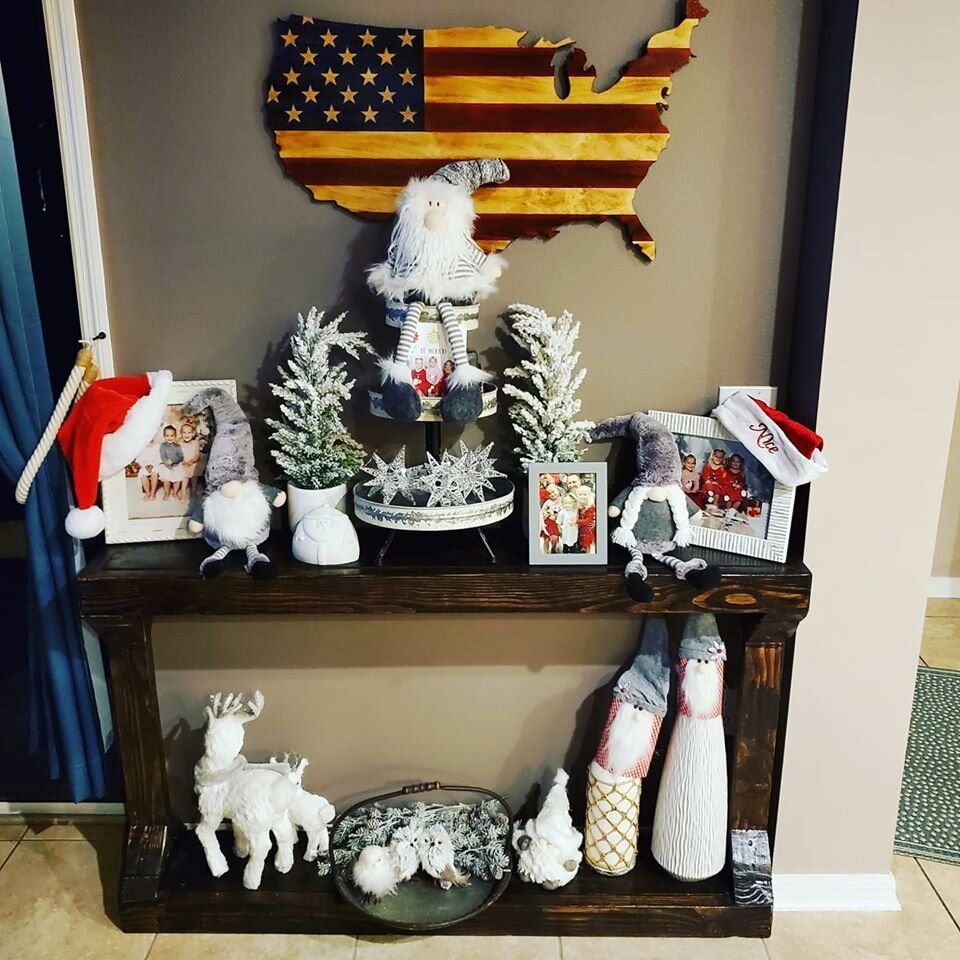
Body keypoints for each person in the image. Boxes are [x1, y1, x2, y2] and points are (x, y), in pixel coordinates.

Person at [158, 425, 185, 500]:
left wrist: (173, 461)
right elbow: (162, 456)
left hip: (176, 465)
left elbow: (181, 457)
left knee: (177, 480)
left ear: (175, 436)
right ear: (164, 436)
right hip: (166, 466)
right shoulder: (163, 446)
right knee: (166, 480)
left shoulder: (178, 446)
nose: (169, 437)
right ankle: (166, 493)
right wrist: (167, 463)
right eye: (167, 436)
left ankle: (175, 493)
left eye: (172, 435)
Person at [180, 419, 202, 499]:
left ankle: (193, 492)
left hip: (193, 463)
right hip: (183, 463)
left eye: (189, 433)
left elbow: (197, 456)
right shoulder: (180, 444)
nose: (187, 435)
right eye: (184, 432)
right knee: (184, 476)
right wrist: (183, 462)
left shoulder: (195, 443)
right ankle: (183, 493)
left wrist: (191, 461)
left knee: (194, 475)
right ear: (181, 434)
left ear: (193, 434)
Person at [540, 484, 562, 553]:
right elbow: (541, 512)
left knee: (554, 538)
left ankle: (553, 548)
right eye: (549, 493)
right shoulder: (548, 502)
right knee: (546, 539)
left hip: (556, 524)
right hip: (548, 523)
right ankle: (545, 552)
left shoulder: (562, 501)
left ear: (558, 491)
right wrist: (543, 521)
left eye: (553, 492)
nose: (552, 494)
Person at [575, 485, 597, 554]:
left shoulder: (591, 507)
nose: (582, 496)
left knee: (587, 544)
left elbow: (588, 521)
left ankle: (588, 556)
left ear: (589, 495)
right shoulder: (580, 507)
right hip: (581, 529)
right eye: (580, 494)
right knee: (582, 544)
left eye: (585, 494)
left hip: (588, 530)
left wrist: (576, 521)